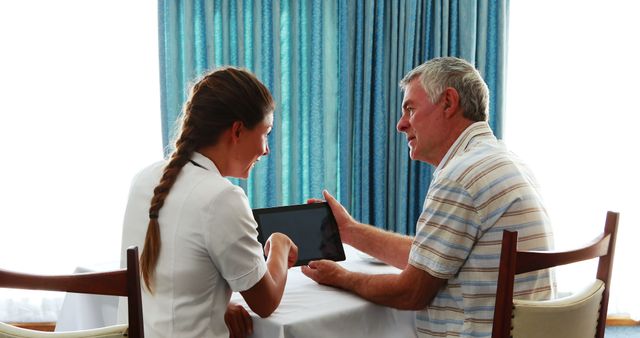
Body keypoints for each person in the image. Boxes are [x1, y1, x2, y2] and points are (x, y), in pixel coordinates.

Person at [301, 57, 555, 337]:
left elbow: (411, 293)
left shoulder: (460, 175)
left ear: (448, 102)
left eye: (410, 109)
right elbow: (428, 257)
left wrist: (341, 277)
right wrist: (349, 231)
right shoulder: (501, 160)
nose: (400, 124)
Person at [118, 67, 298, 338]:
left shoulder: (143, 179)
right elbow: (265, 302)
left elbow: (171, 277)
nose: (266, 149)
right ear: (237, 130)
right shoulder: (223, 198)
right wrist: (280, 247)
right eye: (266, 133)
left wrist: (217, 305)